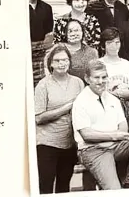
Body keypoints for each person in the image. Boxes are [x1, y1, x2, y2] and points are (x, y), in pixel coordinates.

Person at [72, 61, 129, 189]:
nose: (101, 81)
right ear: (87, 79)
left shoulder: (113, 99)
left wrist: (117, 137)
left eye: (104, 77)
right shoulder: (80, 102)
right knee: (114, 189)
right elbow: (87, 135)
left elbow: (124, 127)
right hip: (93, 150)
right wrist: (113, 136)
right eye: (96, 77)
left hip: (116, 145)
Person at [34, 44, 84, 194]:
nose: (62, 63)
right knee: (46, 186)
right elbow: (38, 118)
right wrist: (67, 107)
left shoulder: (78, 82)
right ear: (51, 64)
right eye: (57, 61)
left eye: (65, 59)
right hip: (47, 143)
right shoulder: (43, 85)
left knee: (64, 187)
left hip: (69, 143)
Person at [99, 29, 129, 134]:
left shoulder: (127, 65)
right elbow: (98, 91)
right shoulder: (98, 64)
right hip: (106, 112)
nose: (114, 46)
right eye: (109, 43)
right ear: (103, 45)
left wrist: (118, 93)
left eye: (117, 42)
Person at [27, 0, 54, 85]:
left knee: (39, 88)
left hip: (40, 57)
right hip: (22, 56)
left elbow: (48, 35)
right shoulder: (15, 6)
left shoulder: (47, 8)